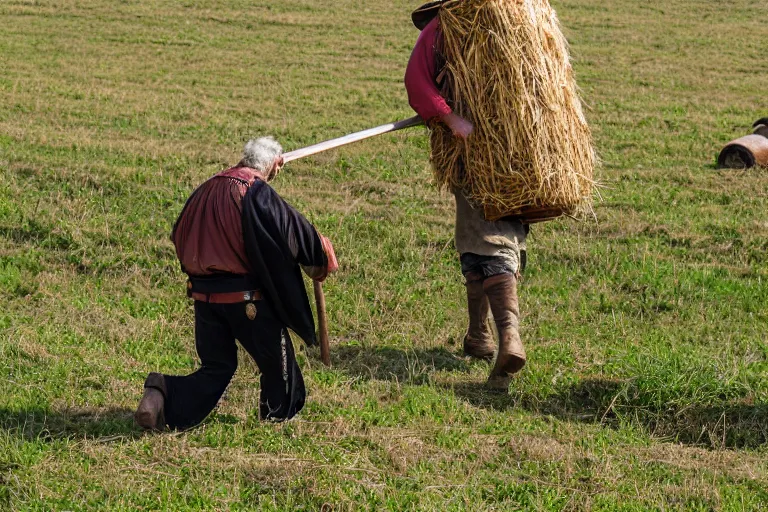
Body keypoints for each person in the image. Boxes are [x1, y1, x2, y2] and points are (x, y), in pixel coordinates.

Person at [134, 137, 338, 430]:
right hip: (246, 301)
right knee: (277, 365)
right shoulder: (255, 191)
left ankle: (162, 394)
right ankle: (277, 421)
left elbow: (178, 233)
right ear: (275, 165)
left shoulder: (204, 189)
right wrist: (319, 251)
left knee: (217, 367)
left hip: (204, 299)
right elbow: (293, 231)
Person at [405, 2, 528, 390]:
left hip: (483, 155)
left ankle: (509, 336)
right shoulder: (505, 21)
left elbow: (416, 81)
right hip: (510, 153)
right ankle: (479, 336)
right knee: (490, 235)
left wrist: (449, 117)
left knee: (489, 239)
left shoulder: (452, 25)